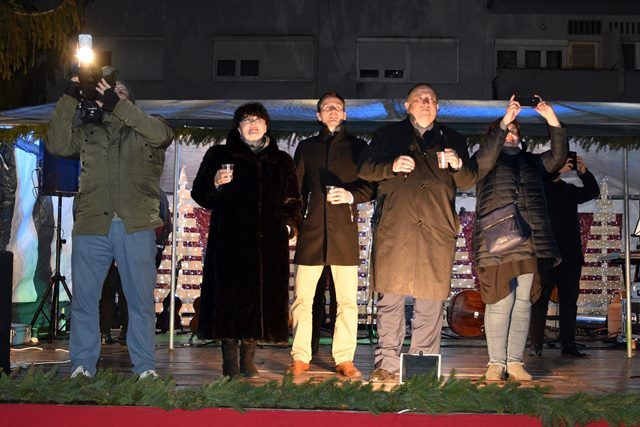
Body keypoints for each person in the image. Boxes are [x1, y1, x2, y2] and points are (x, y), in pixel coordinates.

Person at [46, 77, 173, 379]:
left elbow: (162, 135)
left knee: (140, 302)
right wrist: (69, 95)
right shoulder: (89, 130)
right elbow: (57, 143)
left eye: (119, 91)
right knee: (85, 300)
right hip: (92, 223)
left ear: (131, 99)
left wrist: (119, 107)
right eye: (106, 91)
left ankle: (145, 367)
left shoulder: (149, 127)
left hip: (136, 224)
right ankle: (82, 365)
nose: (111, 94)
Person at [357, 83, 476, 382]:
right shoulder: (387, 135)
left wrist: (458, 164)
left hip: (436, 231)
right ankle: (386, 366)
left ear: (438, 107)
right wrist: (391, 165)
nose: (426, 103)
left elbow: (468, 180)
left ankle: (421, 369)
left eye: (431, 99)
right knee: (390, 301)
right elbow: (365, 169)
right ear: (407, 105)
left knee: (430, 302)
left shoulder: (453, 138)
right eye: (420, 99)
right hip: (395, 229)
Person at [191, 102, 301, 379]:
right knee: (229, 301)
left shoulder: (282, 161)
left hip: (268, 244)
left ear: (266, 126)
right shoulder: (218, 155)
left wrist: (289, 225)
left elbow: (293, 201)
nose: (253, 124)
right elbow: (200, 194)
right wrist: (215, 183)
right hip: (230, 243)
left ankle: (248, 358)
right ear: (238, 127)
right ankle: (229, 360)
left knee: (259, 300)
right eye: (246, 120)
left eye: (258, 120)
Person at [472, 95, 566, 381]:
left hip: (530, 241)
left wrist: (551, 119)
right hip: (498, 241)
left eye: (515, 131)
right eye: (506, 131)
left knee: (523, 302)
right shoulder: (483, 161)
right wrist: (504, 122)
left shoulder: (532, 162)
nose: (511, 135)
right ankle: (495, 363)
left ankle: (514, 362)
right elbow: (485, 158)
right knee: (501, 301)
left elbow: (558, 158)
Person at [288, 92, 374, 378]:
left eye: (337, 107)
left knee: (347, 301)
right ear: (319, 115)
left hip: (344, 234)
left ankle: (344, 358)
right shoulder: (306, 147)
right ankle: (300, 357)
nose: (333, 111)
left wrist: (350, 195)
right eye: (327, 108)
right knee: (303, 299)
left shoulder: (359, 148)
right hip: (311, 233)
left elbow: (371, 187)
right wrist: (293, 224)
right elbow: (295, 191)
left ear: (345, 114)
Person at [529, 155, 599, 358]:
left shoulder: (568, 190)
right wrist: (555, 172)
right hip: (546, 253)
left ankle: (568, 345)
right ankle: (536, 345)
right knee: (540, 299)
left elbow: (592, 192)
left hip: (570, 254)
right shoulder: (539, 188)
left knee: (569, 300)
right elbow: (537, 183)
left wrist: (583, 172)